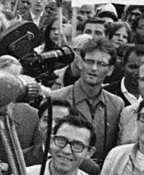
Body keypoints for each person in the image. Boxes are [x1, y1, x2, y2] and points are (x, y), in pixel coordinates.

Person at [52, 37, 126, 167]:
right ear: (80, 63)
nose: (94, 68)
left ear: (110, 70)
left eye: (101, 64)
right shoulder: (57, 98)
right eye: (89, 62)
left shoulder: (116, 104)